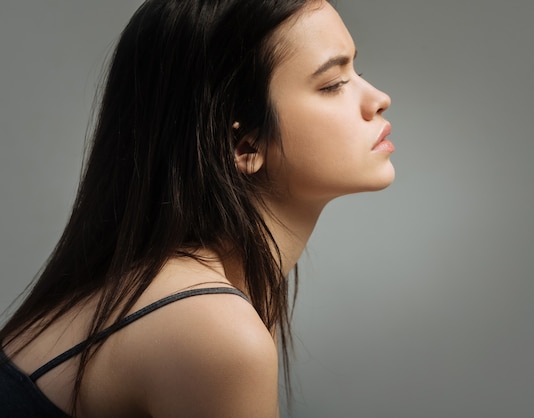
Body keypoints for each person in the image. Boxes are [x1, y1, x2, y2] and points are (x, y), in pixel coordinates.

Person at [0, 0, 394, 416]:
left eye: (357, 72)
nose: (379, 98)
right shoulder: (211, 328)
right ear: (244, 145)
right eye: (333, 83)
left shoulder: (193, 291)